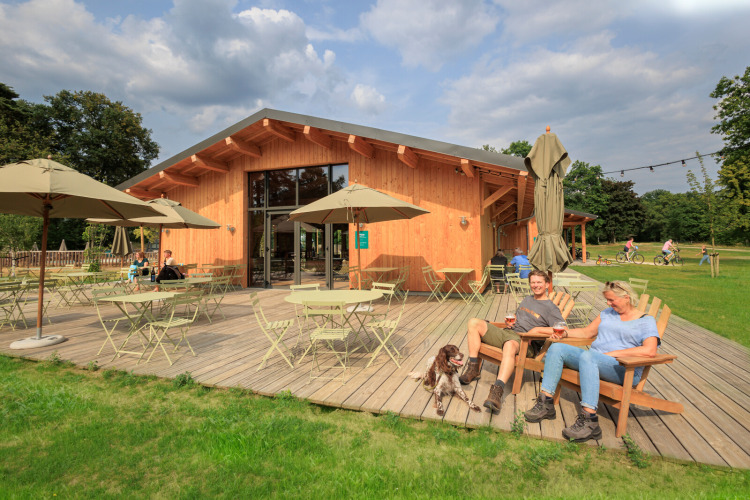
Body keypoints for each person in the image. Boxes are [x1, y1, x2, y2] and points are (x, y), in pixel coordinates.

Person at [523, 280, 660, 442]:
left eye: (612, 300)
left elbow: (650, 351)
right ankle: (546, 403)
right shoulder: (607, 313)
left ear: (626, 298)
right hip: (593, 361)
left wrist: (614, 354)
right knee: (557, 348)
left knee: (589, 356)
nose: (609, 304)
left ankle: (590, 421)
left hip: (623, 369)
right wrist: (564, 334)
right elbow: (587, 333)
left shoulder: (646, 320)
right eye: (607, 300)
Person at [458, 270, 566, 413]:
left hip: (525, 343)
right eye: (533, 282)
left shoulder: (551, 308)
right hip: (508, 332)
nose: (535, 285)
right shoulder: (527, 299)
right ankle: (473, 369)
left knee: (509, 345)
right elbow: (520, 318)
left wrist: (536, 330)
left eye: (539, 282)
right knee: (473, 322)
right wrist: (511, 321)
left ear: (547, 284)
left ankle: (497, 391)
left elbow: (563, 329)